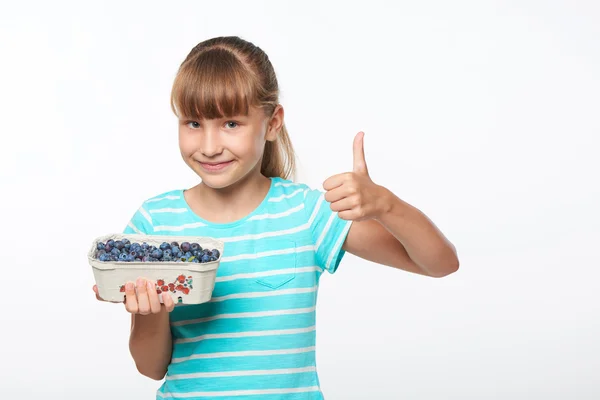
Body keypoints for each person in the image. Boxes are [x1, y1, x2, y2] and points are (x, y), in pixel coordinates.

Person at [93, 36, 459, 399]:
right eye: (192, 123)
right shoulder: (155, 223)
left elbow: (439, 263)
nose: (208, 146)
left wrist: (386, 206)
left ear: (272, 123)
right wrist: (151, 311)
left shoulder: (305, 214)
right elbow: (150, 367)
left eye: (231, 124)